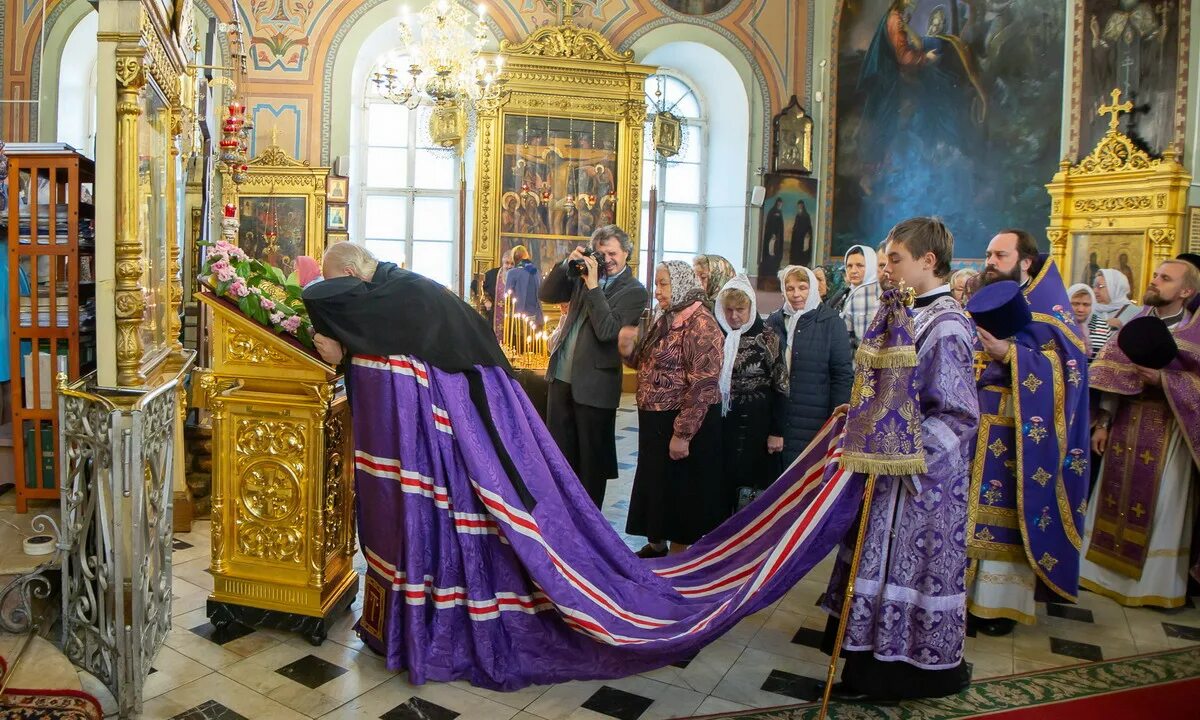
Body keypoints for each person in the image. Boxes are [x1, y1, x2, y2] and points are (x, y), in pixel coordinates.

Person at [820, 216, 979, 703]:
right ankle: (866, 666)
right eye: (885, 259)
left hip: (920, 486)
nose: (885, 269)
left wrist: (898, 452)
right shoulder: (902, 308)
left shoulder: (947, 323)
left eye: (895, 259)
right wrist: (864, 416)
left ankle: (903, 676)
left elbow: (956, 414)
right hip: (884, 474)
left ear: (927, 261)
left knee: (904, 573)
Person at [966, 229, 1091, 636]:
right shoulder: (979, 301)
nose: (990, 261)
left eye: (1000, 255)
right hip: (974, 426)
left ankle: (998, 606)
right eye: (988, 253)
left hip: (1019, 435)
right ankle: (958, 597)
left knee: (1007, 516)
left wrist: (1011, 354)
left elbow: (1068, 374)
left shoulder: (1050, 311)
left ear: (1025, 262)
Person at [1081, 259, 1200, 608]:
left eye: (1166, 278)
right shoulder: (1137, 322)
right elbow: (1109, 372)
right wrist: (1103, 421)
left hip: (1171, 430)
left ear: (1186, 291)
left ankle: (1154, 586)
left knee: (1165, 506)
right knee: (1111, 497)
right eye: (1157, 275)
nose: (1155, 281)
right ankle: (1098, 574)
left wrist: (1165, 379)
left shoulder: (1195, 331)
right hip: (1126, 424)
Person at [618, 261, 724, 558]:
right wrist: (627, 351)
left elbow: (703, 384)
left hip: (680, 418)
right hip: (655, 417)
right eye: (657, 283)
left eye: (663, 283)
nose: (657, 291)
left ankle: (680, 557)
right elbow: (645, 362)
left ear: (679, 283)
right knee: (656, 484)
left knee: (680, 491)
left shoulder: (701, 323)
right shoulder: (667, 317)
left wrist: (683, 434)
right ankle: (657, 543)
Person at [539, 225, 649, 507]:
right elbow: (546, 293)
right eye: (600, 254)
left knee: (591, 467)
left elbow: (608, 330)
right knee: (559, 460)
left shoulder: (634, 291)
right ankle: (562, 520)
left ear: (627, 253)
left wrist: (593, 286)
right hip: (562, 380)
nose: (606, 259)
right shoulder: (581, 276)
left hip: (595, 388)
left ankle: (591, 527)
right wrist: (567, 264)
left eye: (612, 253)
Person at [713, 274, 789, 512]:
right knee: (721, 480)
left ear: (751, 308)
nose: (734, 316)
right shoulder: (716, 336)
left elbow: (781, 386)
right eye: (729, 310)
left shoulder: (768, 337)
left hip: (757, 421)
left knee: (751, 485)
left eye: (740, 310)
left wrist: (777, 432)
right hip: (723, 419)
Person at [767, 265, 853, 467]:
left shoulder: (831, 322)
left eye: (802, 287)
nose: (796, 294)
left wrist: (836, 424)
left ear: (812, 288)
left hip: (816, 420)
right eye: (790, 288)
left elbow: (842, 376)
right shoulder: (774, 321)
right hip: (780, 421)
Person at [1088, 268, 1140, 357]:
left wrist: (1122, 330)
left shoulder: (1136, 312)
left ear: (1115, 287)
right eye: (1094, 286)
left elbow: (1141, 344)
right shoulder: (1089, 310)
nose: (1095, 291)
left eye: (1100, 286)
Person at [839, 244, 882, 348]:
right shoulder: (845, 293)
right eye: (849, 266)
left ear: (871, 266)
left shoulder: (881, 293)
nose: (853, 271)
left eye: (859, 265)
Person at [505, 245, 544, 328]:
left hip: (519, 318)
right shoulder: (536, 272)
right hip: (536, 316)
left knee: (518, 340)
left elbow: (507, 296)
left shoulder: (512, 273)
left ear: (514, 258)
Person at [758, 198, 785, 289]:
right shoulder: (772, 212)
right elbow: (770, 225)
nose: (780, 205)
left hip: (777, 239)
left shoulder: (779, 212)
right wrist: (773, 234)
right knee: (771, 253)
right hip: (772, 238)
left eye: (781, 204)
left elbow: (780, 227)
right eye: (779, 203)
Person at [1067, 283, 1097, 356]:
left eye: (1086, 304)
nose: (1080, 309)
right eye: (1075, 304)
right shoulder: (1057, 327)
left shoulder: (1102, 327)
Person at [788, 202, 814, 267]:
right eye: (798, 206)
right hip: (797, 237)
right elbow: (796, 225)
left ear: (802, 206)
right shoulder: (798, 215)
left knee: (803, 251)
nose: (799, 207)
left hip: (802, 236)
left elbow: (808, 227)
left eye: (800, 206)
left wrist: (807, 233)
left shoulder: (806, 215)